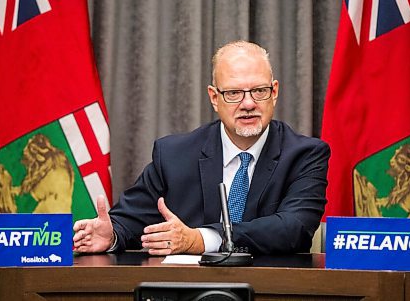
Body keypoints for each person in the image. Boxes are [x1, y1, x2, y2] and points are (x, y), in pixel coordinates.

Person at [73, 40, 330, 255]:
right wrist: (112, 235)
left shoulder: (305, 155)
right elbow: (130, 219)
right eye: (233, 93)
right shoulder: (173, 155)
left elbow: (293, 228)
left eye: (259, 91)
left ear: (274, 92)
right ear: (214, 98)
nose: (248, 103)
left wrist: (201, 239)